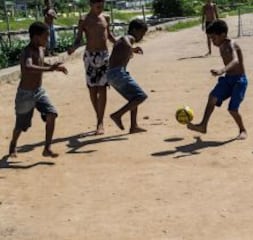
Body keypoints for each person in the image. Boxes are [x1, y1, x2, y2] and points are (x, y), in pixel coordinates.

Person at [8, 22, 68, 158]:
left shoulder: (41, 49)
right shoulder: (27, 51)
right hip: (25, 94)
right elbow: (29, 66)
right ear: (36, 37)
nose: (48, 39)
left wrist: (53, 66)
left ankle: (47, 148)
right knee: (21, 126)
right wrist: (50, 69)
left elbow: (40, 63)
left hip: (38, 91)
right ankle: (13, 143)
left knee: (52, 114)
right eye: (45, 36)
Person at [187, 20, 248, 140]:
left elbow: (235, 61)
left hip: (239, 81)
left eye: (213, 38)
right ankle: (203, 125)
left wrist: (222, 70)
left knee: (232, 109)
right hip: (228, 80)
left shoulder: (231, 44)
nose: (212, 41)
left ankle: (242, 129)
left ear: (223, 35)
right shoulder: (221, 46)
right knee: (212, 97)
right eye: (210, 38)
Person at [67, 0, 116, 135]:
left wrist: (123, 45)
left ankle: (100, 122)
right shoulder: (84, 20)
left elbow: (110, 36)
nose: (100, 8)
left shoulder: (105, 18)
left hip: (104, 56)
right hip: (90, 57)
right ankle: (99, 117)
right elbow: (79, 39)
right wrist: (73, 48)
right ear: (91, 4)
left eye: (102, 5)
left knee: (103, 88)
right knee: (93, 90)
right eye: (98, 5)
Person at [106, 19, 148, 134]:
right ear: (134, 30)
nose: (142, 37)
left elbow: (120, 43)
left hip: (112, 74)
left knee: (134, 98)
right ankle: (117, 115)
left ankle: (133, 126)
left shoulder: (126, 41)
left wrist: (132, 49)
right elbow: (125, 39)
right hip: (117, 73)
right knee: (141, 96)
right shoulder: (129, 38)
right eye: (142, 33)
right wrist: (130, 47)